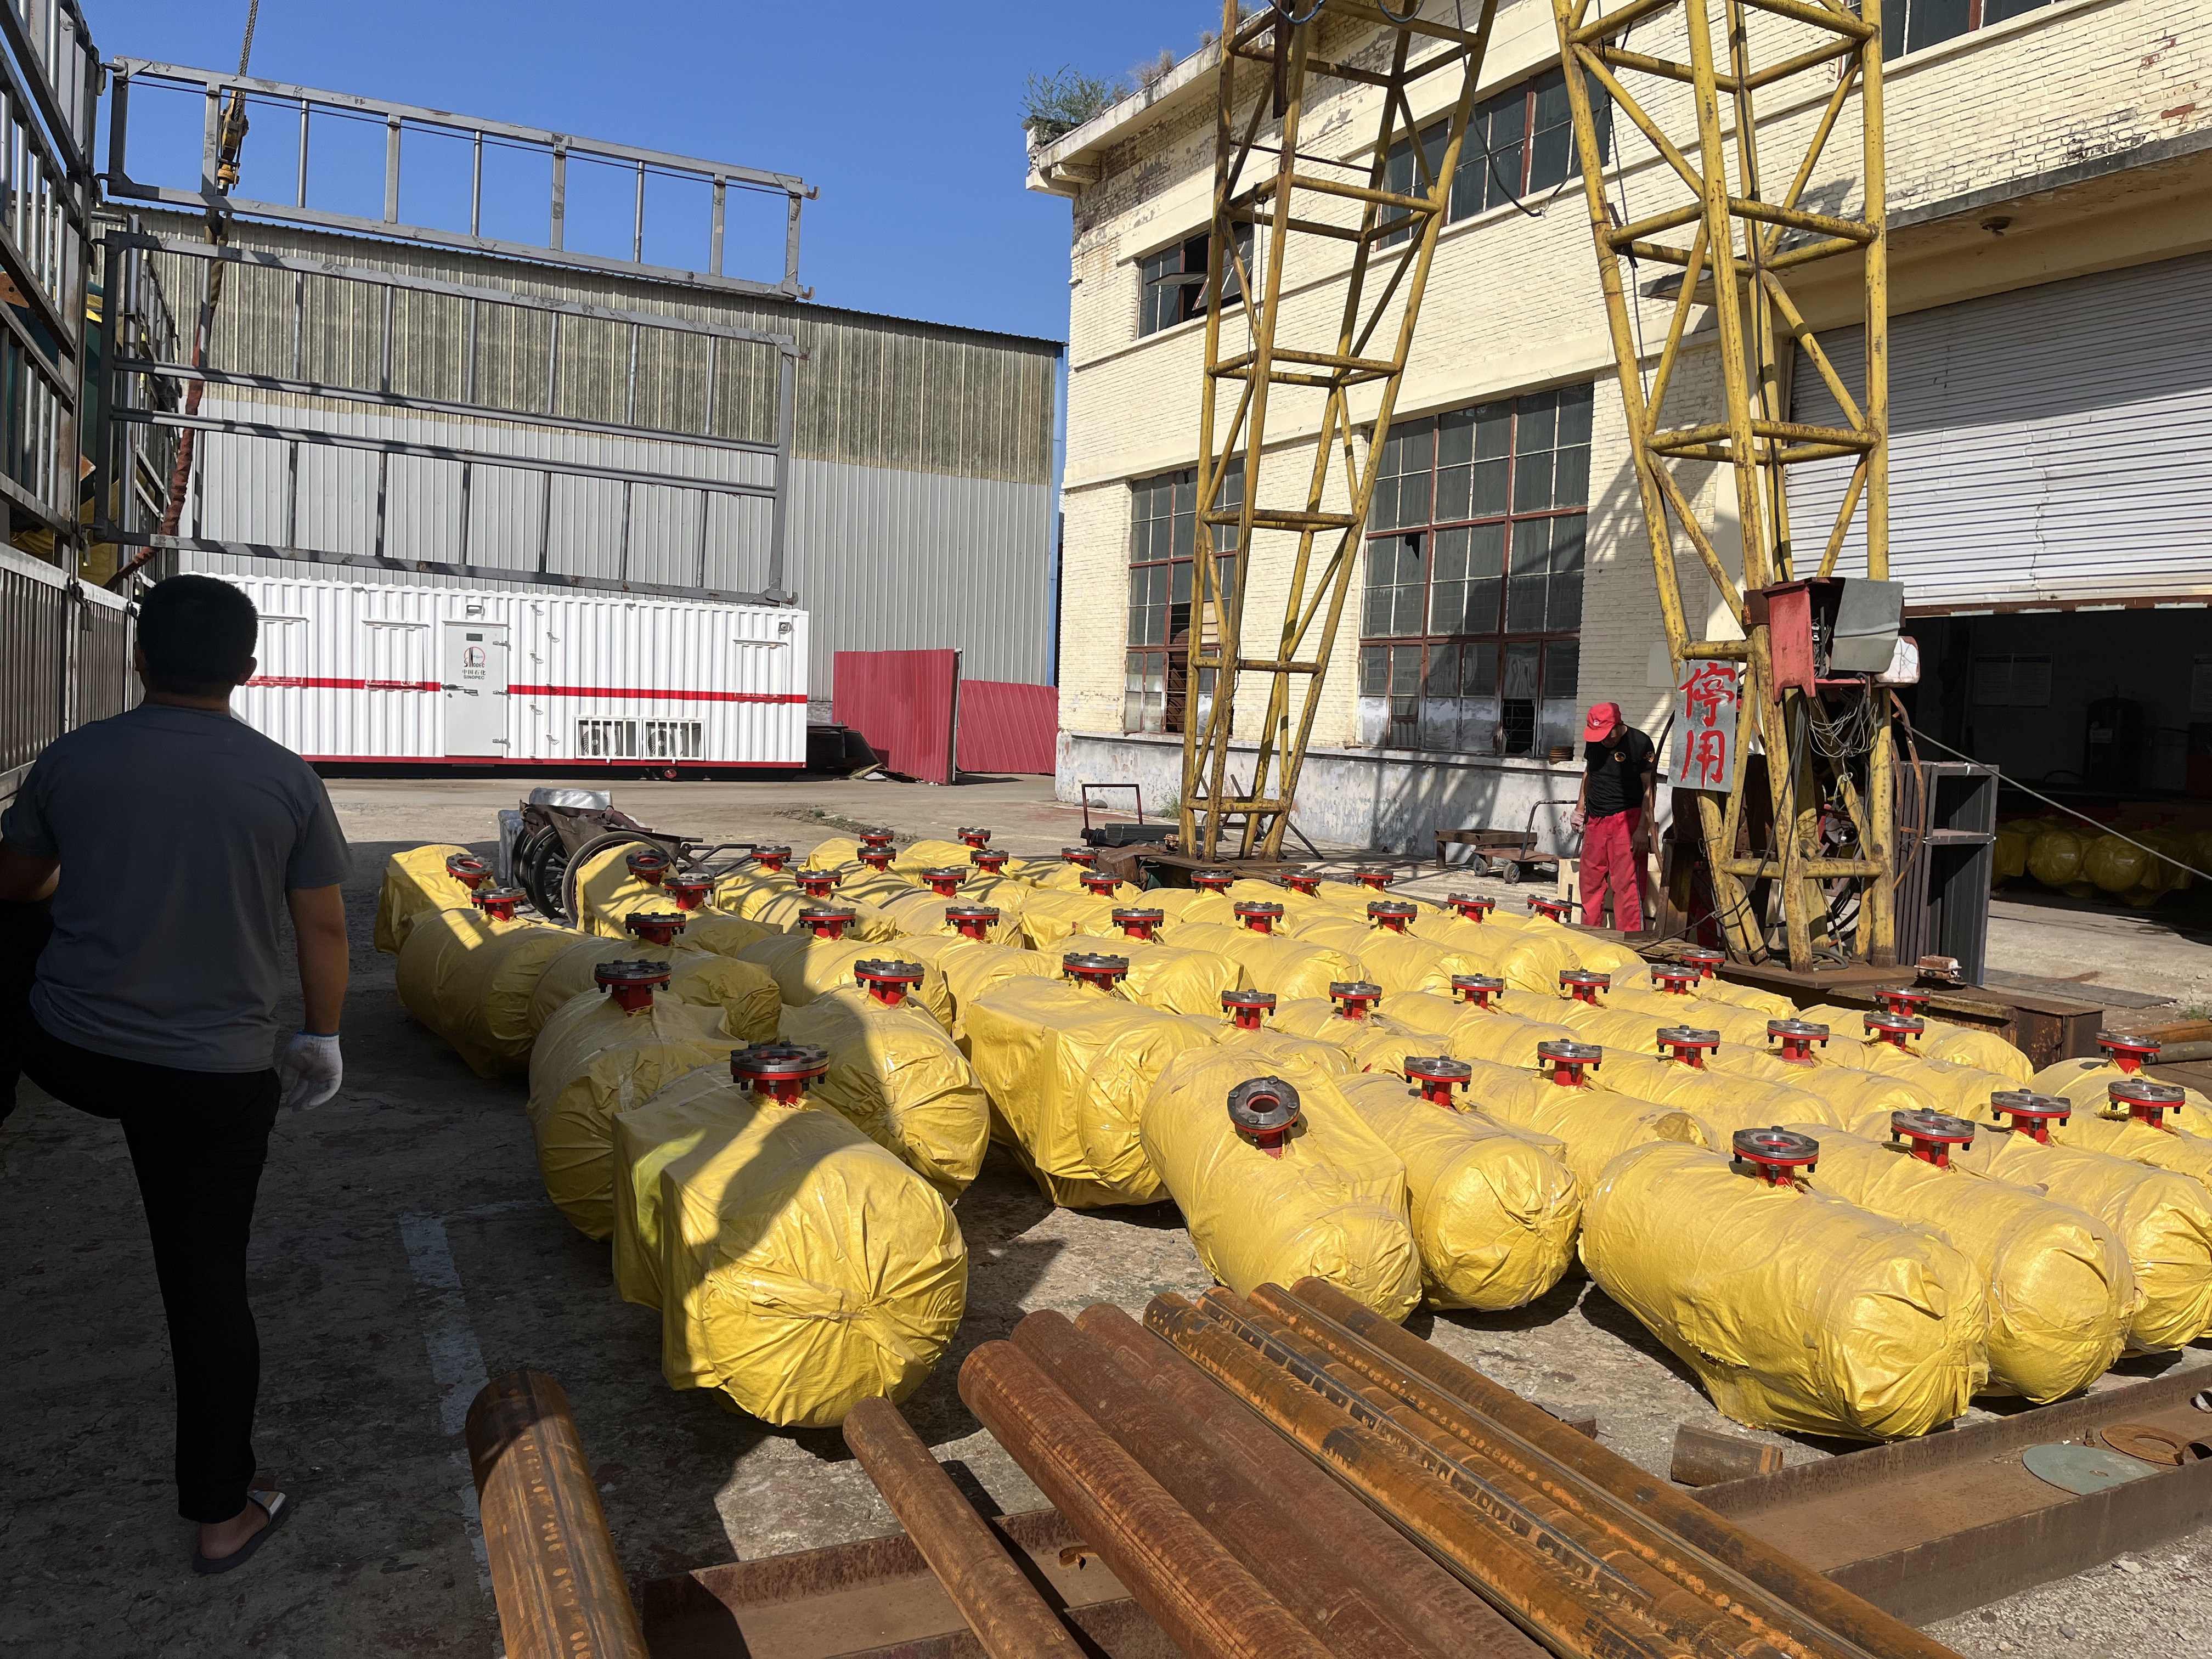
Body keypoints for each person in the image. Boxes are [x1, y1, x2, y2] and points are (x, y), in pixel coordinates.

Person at [0, 573, 351, 1576]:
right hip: (209, 1080)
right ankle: (222, 1514)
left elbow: (16, 883)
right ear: (249, 671)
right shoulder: (286, 780)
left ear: (138, 657)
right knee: (205, 1285)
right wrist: (321, 1036)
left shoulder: (73, 758)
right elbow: (324, 928)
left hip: (71, 1052)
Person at [1568, 701, 1656, 933]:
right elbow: (1589, 773)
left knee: (1627, 885)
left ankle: (1630, 939)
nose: (1605, 740)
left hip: (1627, 820)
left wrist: (1642, 829)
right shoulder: (1595, 741)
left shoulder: (1640, 743)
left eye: (1608, 734)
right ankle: (1590, 935)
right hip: (1596, 820)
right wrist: (1580, 808)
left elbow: (1650, 789)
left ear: (1619, 723)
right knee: (1590, 882)